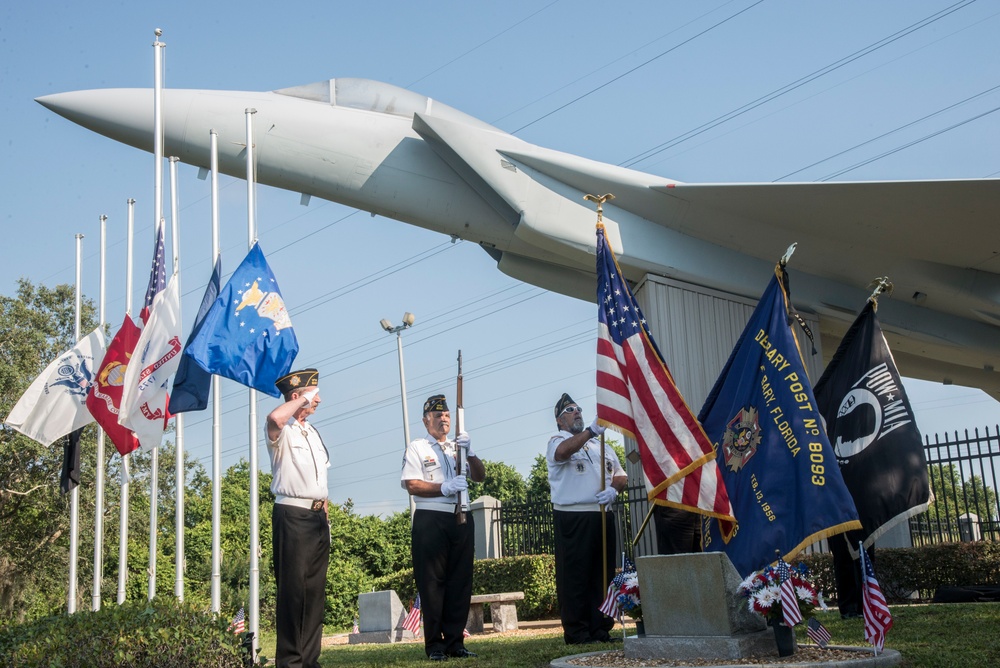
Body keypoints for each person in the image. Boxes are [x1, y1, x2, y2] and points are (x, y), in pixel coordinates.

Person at [401, 394, 486, 661]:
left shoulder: (456, 446)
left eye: (447, 415)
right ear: (426, 421)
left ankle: (455, 642)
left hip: (460, 517)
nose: (444, 419)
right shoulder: (418, 447)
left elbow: (480, 476)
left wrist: (469, 451)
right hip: (431, 519)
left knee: (460, 582)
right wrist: (443, 488)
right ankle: (434, 645)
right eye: (438, 416)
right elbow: (412, 484)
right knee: (432, 584)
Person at [546, 393, 628, 645]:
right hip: (573, 516)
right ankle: (577, 631)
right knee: (576, 576)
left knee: (601, 574)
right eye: (570, 410)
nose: (577, 412)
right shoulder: (557, 439)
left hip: (602, 513)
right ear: (560, 421)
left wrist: (614, 489)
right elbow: (561, 453)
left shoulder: (601, 444)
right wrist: (591, 431)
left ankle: (600, 629)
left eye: (579, 408)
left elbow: (621, 474)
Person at [266, 368, 330, 668]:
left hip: (316, 517)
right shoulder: (284, 430)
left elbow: (319, 480)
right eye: (313, 395)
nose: (318, 400)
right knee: (293, 593)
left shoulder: (312, 432)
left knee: (314, 594)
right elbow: (274, 419)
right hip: (291, 515)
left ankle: (309, 661)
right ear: (298, 396)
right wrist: (301, 398)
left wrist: (325, 514)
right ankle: (290, 662)